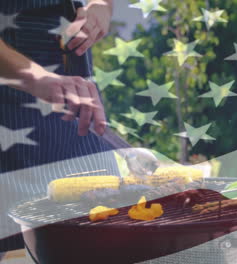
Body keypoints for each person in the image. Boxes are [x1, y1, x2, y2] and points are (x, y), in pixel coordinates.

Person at [0, 0, 157, 257]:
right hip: (12, 75)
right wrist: (36, 78)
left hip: (70, 68)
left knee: (103, 229)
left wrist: (100, 8)